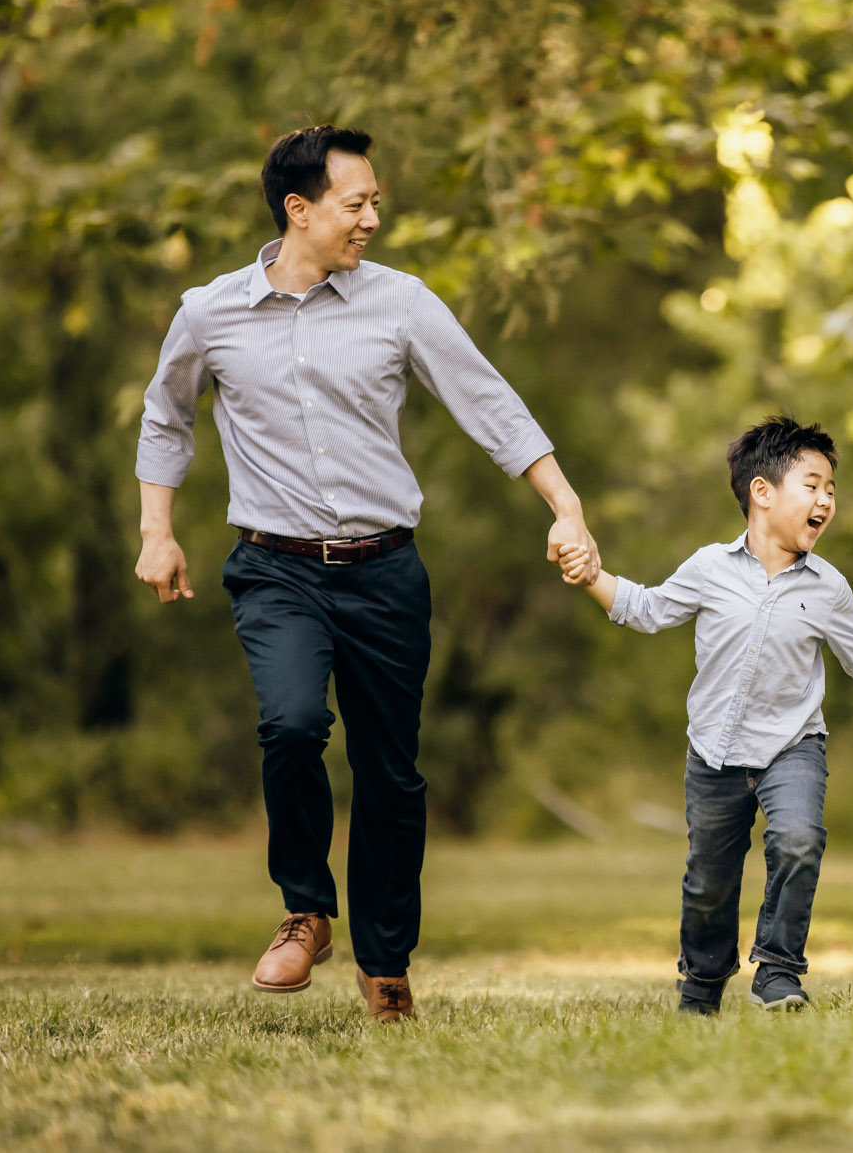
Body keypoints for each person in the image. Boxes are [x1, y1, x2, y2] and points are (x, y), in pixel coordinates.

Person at [133, 125, 600, 1022]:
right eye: (358, 203)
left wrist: (565, 504)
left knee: (392, 773)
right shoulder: (210, 312)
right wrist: (158, 530)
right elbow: (166, 420)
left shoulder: (401, 303)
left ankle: (386, 962)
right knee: (292, 722)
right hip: (276, 569)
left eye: (376, 201)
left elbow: (489, 402)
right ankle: (305, 909)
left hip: (386, 573)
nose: (373, 218)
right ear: (298, 209)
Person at [554, 416, 853, 1013]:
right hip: (714, 754)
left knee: (799, 841)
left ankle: (777, 970)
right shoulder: (709, 569)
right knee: (707, 883)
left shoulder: (828, 587)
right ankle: (700, 985)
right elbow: (643, 609)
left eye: (831, 489)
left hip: (792, 747)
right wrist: (591, 574)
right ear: (762, 492)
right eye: (813, 484)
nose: (826, 499)